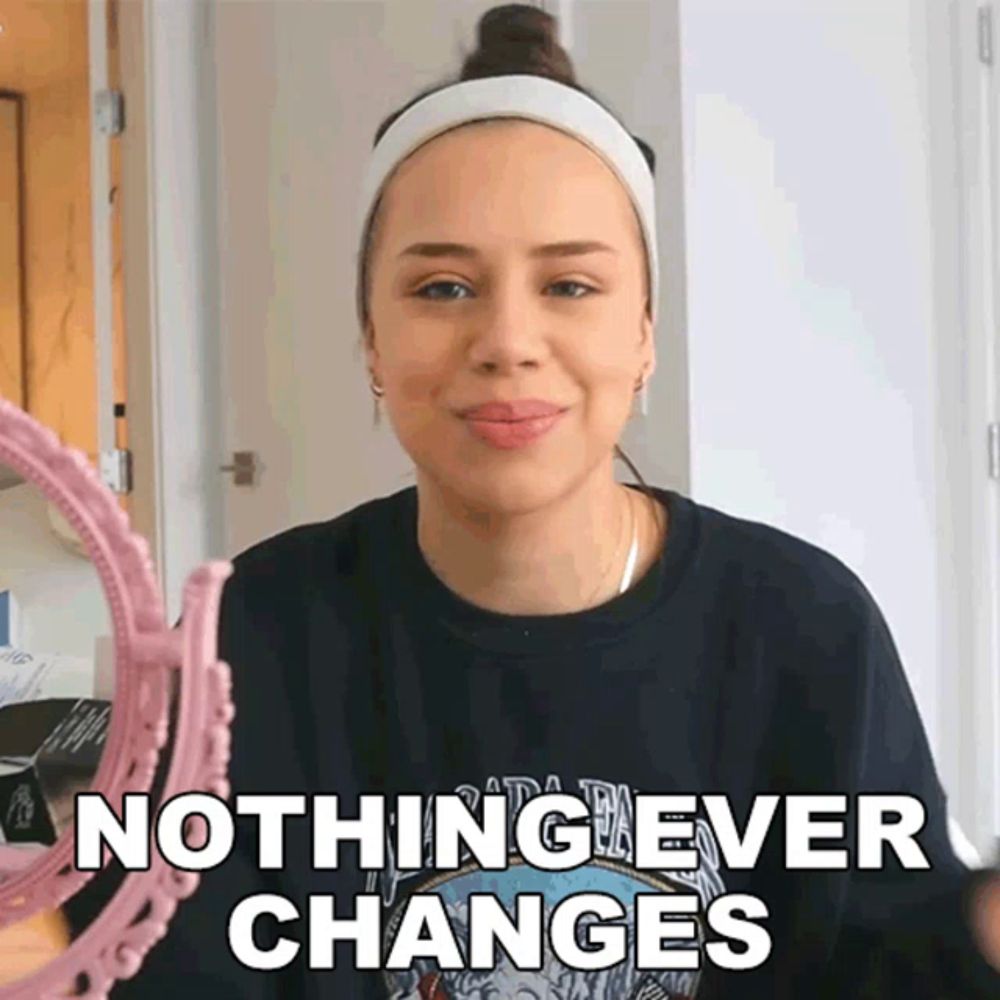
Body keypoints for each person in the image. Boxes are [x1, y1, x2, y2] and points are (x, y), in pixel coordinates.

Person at [101, 5, 1000, 998]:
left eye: (570, 285)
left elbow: (900, 966)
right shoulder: (247, 644)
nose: (507, 340)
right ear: (369, 337)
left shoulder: (804, 629)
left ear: (645, 334)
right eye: (442, 288)